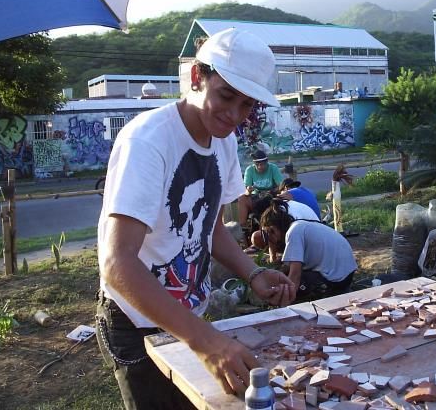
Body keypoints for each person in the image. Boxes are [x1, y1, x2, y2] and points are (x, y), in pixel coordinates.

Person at [95, 27, 296, 409]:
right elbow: (116, 263)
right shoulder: (148, 142)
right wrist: (204, 340)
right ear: (196, 78)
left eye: (247, 104)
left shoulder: (225, 140)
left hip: (191, 314)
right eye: (226, 96)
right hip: (137, 321)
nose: (234, 114)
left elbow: (211, 228)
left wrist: (251, 273)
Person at [260, 199, 357, 303]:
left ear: (272, 229)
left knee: (291, 287)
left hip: (337, 279)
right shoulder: (299, 225)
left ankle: (326, 292)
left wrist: (283, 303)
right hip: (347, 273)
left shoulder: (294, 232)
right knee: (285, 275)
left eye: (269, 234)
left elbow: (295, 276)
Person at [247, 196, 319, 261]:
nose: (269, 235)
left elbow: (294, 268)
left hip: (313, 239)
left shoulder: (293, 222)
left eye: (271, 231)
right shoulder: (273, 215)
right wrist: (273, 258)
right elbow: (270, 235)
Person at [237, 150, 283, 225]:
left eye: (262, 164)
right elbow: (245, 191)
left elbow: (281, 186)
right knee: (242, 199)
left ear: (266, 162)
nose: (260, 167)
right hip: (256, 196)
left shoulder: (273, 168)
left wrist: (271, 192)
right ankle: (243, 226)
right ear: (254, 163)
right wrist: (248, 191)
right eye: (257, 164)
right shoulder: (249, 170)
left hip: (270, 196)